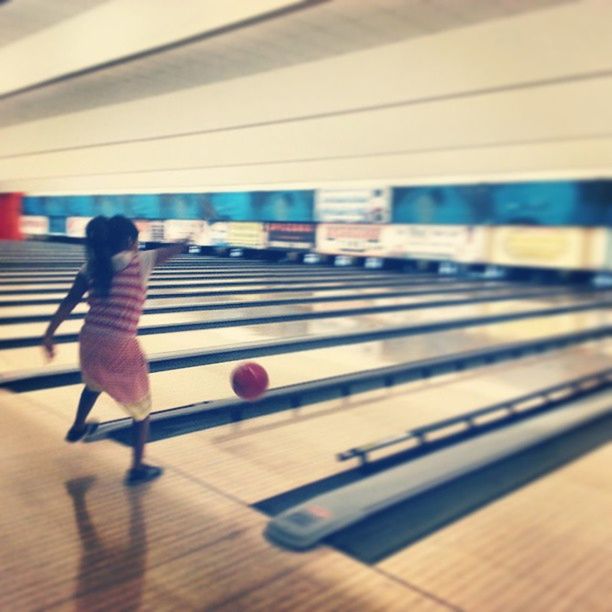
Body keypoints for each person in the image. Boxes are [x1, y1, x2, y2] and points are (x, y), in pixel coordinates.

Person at [42, 215, 186, 485]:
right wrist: (185, 242)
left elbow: (68, 302)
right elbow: (174, 250)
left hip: (90, 341)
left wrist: (48, 334)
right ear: (131, 241)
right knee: (142, 411)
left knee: (94, 383)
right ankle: (138, 467)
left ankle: (78, 425)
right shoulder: (141, 260)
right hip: (119, 344)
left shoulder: (91, 267)